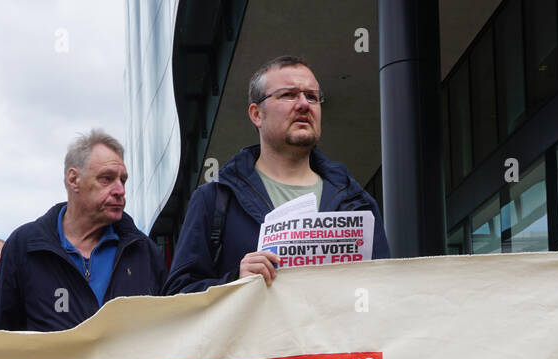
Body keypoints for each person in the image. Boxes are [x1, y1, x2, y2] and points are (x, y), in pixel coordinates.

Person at [163, 55, 390, 295]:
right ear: (256, 114)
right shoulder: (215, 199)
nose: (304, 104)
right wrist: (235, 282)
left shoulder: (357, 203)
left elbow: (383, 293)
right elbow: (177, 295)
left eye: (312, 96)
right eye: (288, 95)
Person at [0, 130, 165, 331]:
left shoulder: (144, 252)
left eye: (122, 180)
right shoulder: (24, 247)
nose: (120, 190)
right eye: (106, 179)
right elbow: (2, 339)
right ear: (73, 179)